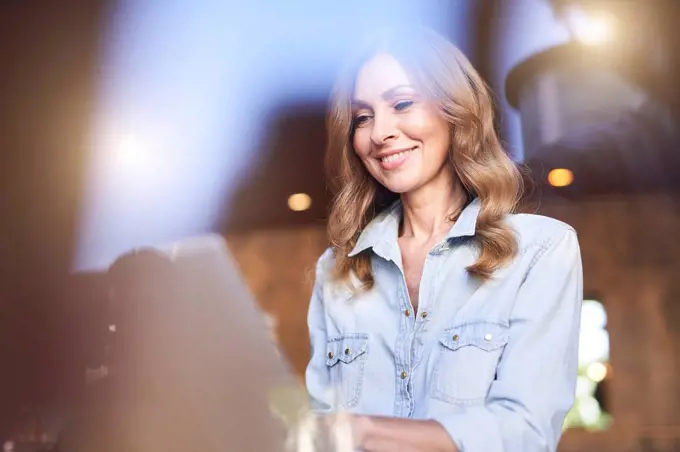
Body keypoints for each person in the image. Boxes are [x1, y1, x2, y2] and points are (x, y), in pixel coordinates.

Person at [305, 27, 583, 452]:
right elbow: (318, 427)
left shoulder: (542, 251)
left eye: (402, 103)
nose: (380, 132)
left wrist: (363, 432)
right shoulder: (336, 270)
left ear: (454, 110)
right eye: (363, 117)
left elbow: (526, 431)